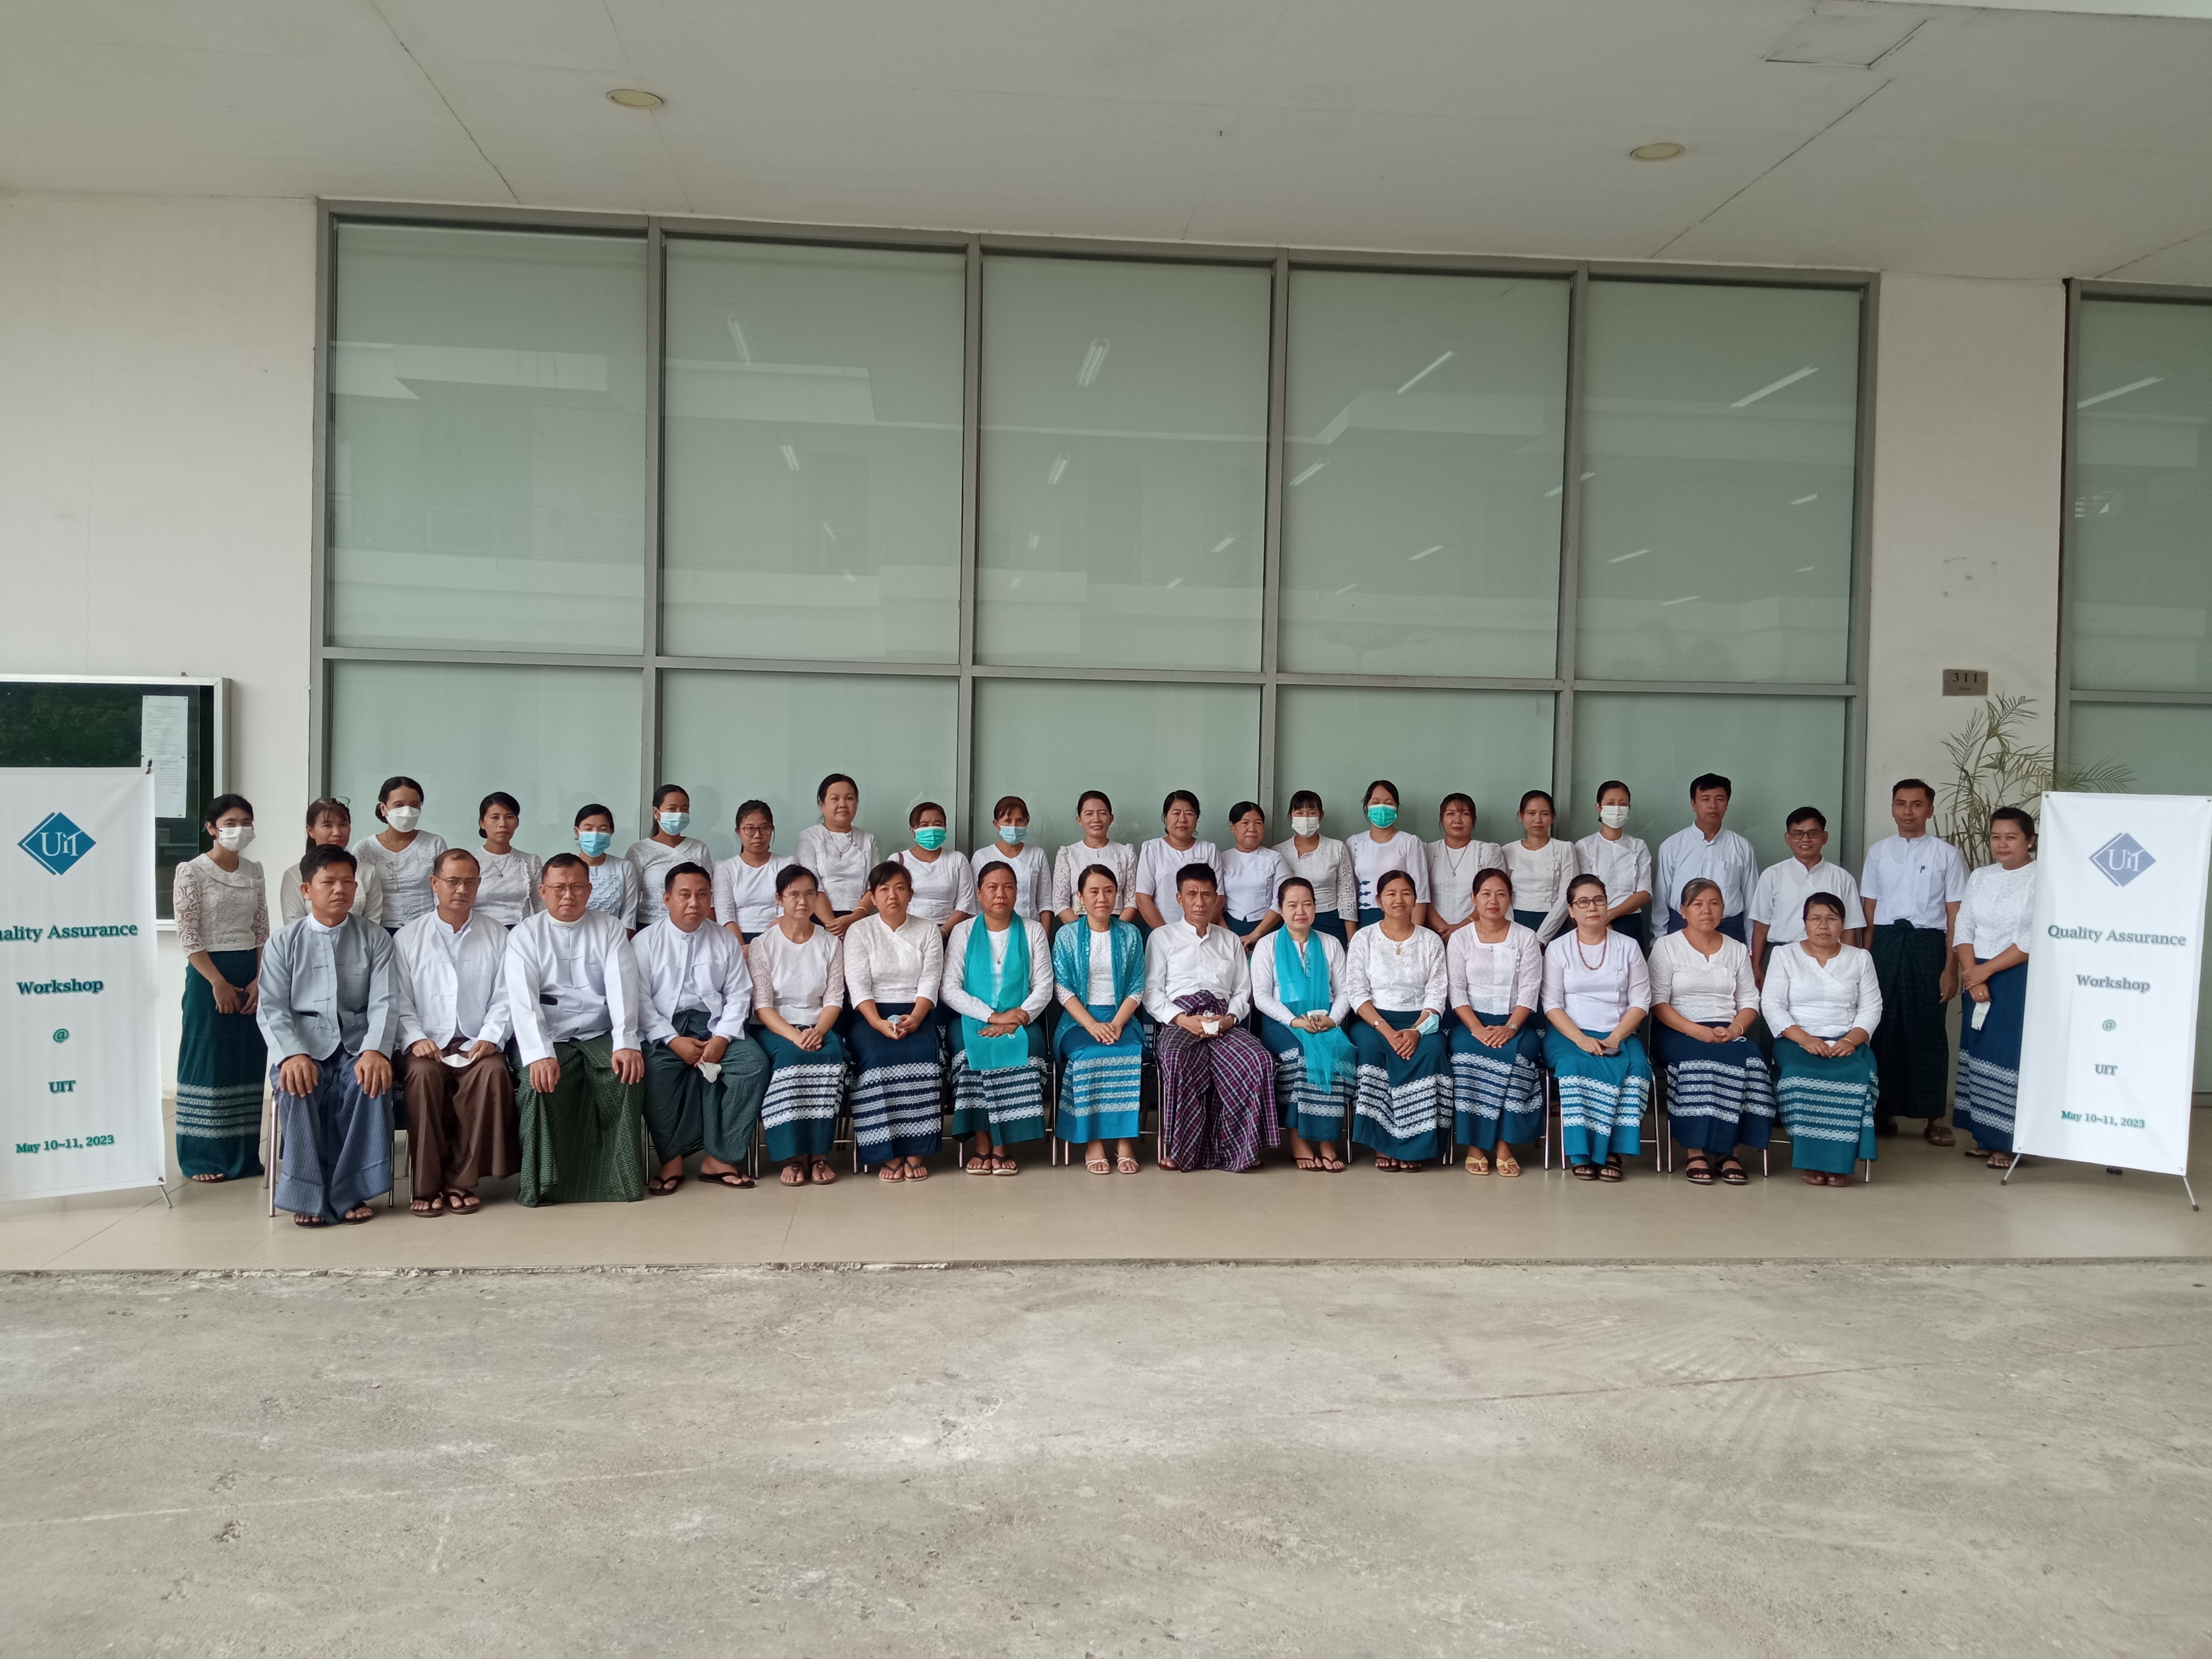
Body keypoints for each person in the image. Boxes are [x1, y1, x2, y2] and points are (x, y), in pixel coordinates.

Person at [257, 846, 397, 1226]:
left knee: (370, 1081)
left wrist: (375, 1050)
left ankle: (351, 1190)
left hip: (356, 1044)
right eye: (329, 882)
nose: (340, 890)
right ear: (307, 890)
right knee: (297, 1085)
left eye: (348, 882)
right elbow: (271, 1008)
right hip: (303, 1045)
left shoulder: (376, 938)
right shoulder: (283, 942)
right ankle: (306, 1194)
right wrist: (292, 1055)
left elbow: (386, 1002)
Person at [502, 853, 649, 1206]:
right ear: (543, 892)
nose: (568, 895)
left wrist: (625, 1042)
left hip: (599, 1031)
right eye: (559, 888)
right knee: (537, 1086)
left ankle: (619, 1181)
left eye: (577, 887)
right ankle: (544, 1183)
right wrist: (539, 1054)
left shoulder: (610, 928)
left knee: (627, 1076)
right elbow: (523, 1001)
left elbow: (622, 986)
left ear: (590, 889)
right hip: (547, 1035)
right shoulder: (525, 934)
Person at [390, 848, 516, 1216]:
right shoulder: (408, 937)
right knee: (424, 1077)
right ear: (435, 883)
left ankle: (460, 1180)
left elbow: (507, 996)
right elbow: (397, 999)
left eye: (470, 882)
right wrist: (415, 1038)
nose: (462, 889)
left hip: (475, 1040)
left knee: (492, 1072)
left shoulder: (498, 935)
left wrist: (491, 1036)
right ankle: (427, 1185)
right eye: (453, 881)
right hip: (424, 1043)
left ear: (479, 885)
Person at [633, 862, 770, 1195]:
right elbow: (639, 1000)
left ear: (711, 899)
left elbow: (739, 994)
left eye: (702, 895)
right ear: (667, 899)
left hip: (714, 1024)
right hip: (665, 1027)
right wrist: (671, 1040)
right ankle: (672, 1159)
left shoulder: (725, 940)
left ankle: (719, 1159)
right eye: (685, 895)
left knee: (753, 1065)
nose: (694, 903)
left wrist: (722, 1038)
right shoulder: (645, 941)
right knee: (653, 1070)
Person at [1144, 865, 1277, 1171]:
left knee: (1258, 1060)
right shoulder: (1162, 938)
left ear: (1216, 898)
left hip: (1222, 1019)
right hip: (1180, 1020)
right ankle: (1182, 1150)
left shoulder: (1230, 940)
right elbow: (1151, 992)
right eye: (1192, 894)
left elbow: (1243, 991)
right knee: (1176, 1057)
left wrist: (1230, 1019)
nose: (1200, 902)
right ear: (1179, 898)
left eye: (1206, 894)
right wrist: (1182, 1020)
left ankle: (1241, 1150)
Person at [1860, 777, 1967, 1144]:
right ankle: (1883, 1111)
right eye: (1901, 804)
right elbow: (1869, 911)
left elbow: (1956, 915)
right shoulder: (1878, 853)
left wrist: (1951, 967)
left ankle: (1934, 1117)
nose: (1908, 811)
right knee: (1883, 1026)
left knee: (1928, 1028)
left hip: (1928, 944)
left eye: (1917, 804)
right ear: (1892, 808)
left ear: (1930, 810)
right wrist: (1864, 961)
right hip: (1886, 943)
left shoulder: (1947, 855)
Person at [1649, 877, 1775, 1186]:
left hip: (1726, 1029)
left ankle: (1728, 1152)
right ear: (1683, 911)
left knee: (1752, 1062)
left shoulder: (1736, 949)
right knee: (1702, 1065)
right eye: (1698, 904)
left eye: (1714, 903)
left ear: (1723, 909)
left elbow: (1749, 1001)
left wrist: (1734, 1029)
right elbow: (1657, 1002)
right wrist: (1694, 1030)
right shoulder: (1667, 947)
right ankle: (1696, 1151)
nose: (1707, 910)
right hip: (1678, 1030)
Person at [173, 793, 269, 1183]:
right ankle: (202, 1158)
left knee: (246, 1060)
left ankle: (243, 1156)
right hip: (209, 976)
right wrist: (218, 983)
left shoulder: (255, 870)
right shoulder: (191, 871)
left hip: (251, 974)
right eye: (230, 823)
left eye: (246, 822)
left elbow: (261, 930)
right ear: (212, 828)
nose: (239, 829)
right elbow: (188, 934)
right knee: (208, 1059)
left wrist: (261, 979)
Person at [1763, 892, 1883, 1188]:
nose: (1823, 926)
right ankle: (1813, 1160)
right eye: (1815, 918)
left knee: (1858, 1075)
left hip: (1847, 1040)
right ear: (1804, 923)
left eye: (1831, 919)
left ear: (1843, 923)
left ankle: (1841, 1163)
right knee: (1798, 1077)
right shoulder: (1785, 955)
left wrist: (1852, 1040)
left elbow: (1872, 1007)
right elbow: (1772, 1005)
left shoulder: (1860, 958)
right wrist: (1805, 1039)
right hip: (1796, 1040)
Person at [1543, 873, 1655, 1182]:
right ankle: (1581, 1153)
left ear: (1607, 905)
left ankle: (1614, 1151)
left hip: (1619, 1032)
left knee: (1637, 1068)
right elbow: (1551, 1004)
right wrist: (1580, 1039)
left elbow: (1641, 1001)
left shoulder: (1628, 947)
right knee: (1573, 1065)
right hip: (1569, 1034)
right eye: (1583, 902)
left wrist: (1616, 1037)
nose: (1592, 907)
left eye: (1598, 900)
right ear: (1571, 910)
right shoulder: (1558, 948)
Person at [944, 862, 1053, 1174]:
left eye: (1008, 887)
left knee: (1027, 1048)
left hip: (1020, 1019)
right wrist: (993, 1016)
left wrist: (1014, 1021)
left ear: (1017, 893)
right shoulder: (964, 931)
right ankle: (982, 1143)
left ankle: (1003, 1146)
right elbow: (949, 988)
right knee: (968, 1052)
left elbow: (1044, 986)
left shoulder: (1033, 930)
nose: (1000, 894)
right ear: (979, 894)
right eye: (992, 887)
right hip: (973, 1018)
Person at [841, 862, 945, 1180]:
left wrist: (916, 1018)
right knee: (876, 1056)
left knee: (925, 1053)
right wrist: (877, 1023)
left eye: (900, 888)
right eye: (884, 889)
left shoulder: (928, 930)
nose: (892, 896)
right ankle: (885, 1150)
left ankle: (916, 1148)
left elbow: (930, 980)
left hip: (917, 1010)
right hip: (870, 1014)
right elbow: (858, 984)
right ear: (872, 897)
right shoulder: (860, 931)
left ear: (911, 894)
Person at [748, 865, 847, 1187]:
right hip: (776, 1026)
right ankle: (791, 1156)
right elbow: (763, 1005)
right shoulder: (763, 945)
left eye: (809, 894)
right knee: (791, 1058)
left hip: (818, 1024)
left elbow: (834, 999)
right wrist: (796, 1036)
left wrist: (818, 1031)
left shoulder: (830, 943)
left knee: (830, 1056)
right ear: (780, 899)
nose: (802, 902)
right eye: (793, 895)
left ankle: (819, 1153)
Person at [1344, 869, 1449, 1169]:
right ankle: (1382, 1144)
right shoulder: (1364, 938)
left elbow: (1437, 993)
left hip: (1420, 1022)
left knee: (1432, 1050)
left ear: (1415, 899)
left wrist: (1416, 1031)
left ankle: (1413, 1147)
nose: (1399, 900)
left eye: (1406, 893)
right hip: (1374, 1021)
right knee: (1370, 1050)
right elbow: (1357, 992)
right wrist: (1387, 1030)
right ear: (1378, 900)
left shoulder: (1430, 941)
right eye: (1391, 894)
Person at [1446, 868, 1544, 1177]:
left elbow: (1530, 990)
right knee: (1465, 1056)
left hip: (1516, 1024)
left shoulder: (1526, 937)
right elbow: (1456, 990)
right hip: (1470, 1024)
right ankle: (1475, 1145)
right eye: (1486, 894)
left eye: (1501, 894)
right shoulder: (1460, 938)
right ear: (1473, 898)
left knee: (1519, 1057)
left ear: (1510, 899)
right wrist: (1476, 1028)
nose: (1493, 901)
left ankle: (1504, 1144)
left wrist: (1510, 1028)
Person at [1252, 876, 1354, 1172]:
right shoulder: (1267, 945)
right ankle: (1298, 1139)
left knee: (1337, 1054)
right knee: (1299, 1056)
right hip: (1281, 1023)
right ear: (1281, 909)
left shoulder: (1331, 944)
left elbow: (1345, 991)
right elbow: (1261, 997)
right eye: (1292, 905)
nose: (1301, 911)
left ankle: (1327, 1141)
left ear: (1315, 907)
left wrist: (1332, 1019)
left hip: (1324, 1021)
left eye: (1307, 904)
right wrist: (1294, 1021)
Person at [1955, 806, 2038, 1167]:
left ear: (2030, 841)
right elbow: (1964, 927)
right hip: (1976, 973)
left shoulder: (2041, 878)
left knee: (2007, 1055)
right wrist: (1971, 972)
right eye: (1996, 837)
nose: (2002, 844)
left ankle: (2009, 1143)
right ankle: (1987, 1138)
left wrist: (1984, 972)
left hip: (2015, 976)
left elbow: (2032, 939)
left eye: (2011, 837)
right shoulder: (1981, 876)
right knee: (1979, 1051)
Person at [1052, 864, 1146, 1175]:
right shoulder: (1067, 935)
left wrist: (1117, 1024)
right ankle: (1092, 1141)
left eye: (1108, 891)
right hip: (1078, 1020)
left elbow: (1137, 986)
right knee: (1089, 1054)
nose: (1102, 898)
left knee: (1128, 1052)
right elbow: (1062, 987)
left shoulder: (1131, 934)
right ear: (1080, 897)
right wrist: (1091, 1025)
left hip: (1121, 1018)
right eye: (1093, 892)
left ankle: (1124, 1140)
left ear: (1117, 895)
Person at [1749, 807, 1864, 981]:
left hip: (1829, 957)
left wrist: (1849, 970)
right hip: (1780, 955)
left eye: (1813, 834)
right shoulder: (1772, 876)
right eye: (1798, 834)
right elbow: (1761, 927)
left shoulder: (1842, 878)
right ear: (1788, 839)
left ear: (1824, 837)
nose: (1805, 840)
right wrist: (1757, 967)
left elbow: (1849, 931)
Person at [1654, 774, 1757, 940]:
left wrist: (1751, 945)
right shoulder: (1672, 846)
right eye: (1705, 799)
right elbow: (1661, 899)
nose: (1713, 806)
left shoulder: (1742, 848)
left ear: (1727, 804)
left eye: (1719, 799)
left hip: (1730, 929)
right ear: (1693, 804)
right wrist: (1659, 939)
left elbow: (1752, 901)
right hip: (1681, 927)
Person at [351, 775, 446, 934]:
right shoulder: (364, 849)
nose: (407, 812)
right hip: (378, 931)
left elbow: (442, 891)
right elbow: (359, 897)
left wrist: (441, 927)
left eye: (414, 805)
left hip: (426, 928)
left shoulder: (434, 844)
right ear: (384, 809)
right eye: (399, 805)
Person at [796, 773, 879, 935]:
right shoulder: (809, 837)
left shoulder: (868, 839)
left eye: (850, 798)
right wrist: (833, 926)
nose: (843, 804)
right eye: (835, 799)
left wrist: (855, 918)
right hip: (819, 921)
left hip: (861, 919)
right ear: (822, 804)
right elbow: (811, 885)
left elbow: (874, 886)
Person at [1573, 780, 1654, 947]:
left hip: (1630, 921)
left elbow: (1644, 892)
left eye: (1623, 804)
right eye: (1610, 804)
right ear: (1598, 807)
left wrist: (1611, 915)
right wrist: (1603, 921)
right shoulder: (1585, 846)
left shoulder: (1638, 846)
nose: (1617, 809)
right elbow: (1584, 890)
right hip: (1594, 919)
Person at [282, 799, 384, 927]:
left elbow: (372, 923)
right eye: (327, 825)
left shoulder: (368, 872)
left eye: (343, 824)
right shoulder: (294, 875)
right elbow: (294, 926)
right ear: (311, 831)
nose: (337, 833)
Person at [1275, 790, 1359, 944]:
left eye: (1311, 813)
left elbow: (1347, 898)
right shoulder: (1278, 852)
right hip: (1291, 922)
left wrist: (1352, 942)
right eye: (1299, 813)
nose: (1306, 818)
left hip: (1330, 920)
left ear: (1321, 815)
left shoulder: (1337, 848)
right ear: (1290, 816)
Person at [1346, 780, 1430, 931]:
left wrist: (1416, 933)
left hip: (1400, 914)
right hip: (1365, 917)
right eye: (1376, 803)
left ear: (1397, 807)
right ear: (1367, 807)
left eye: (1389, 803)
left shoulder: (1409, 842)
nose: (1382, 808)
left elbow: (1420, 891)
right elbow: (1349, 892)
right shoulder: (1354, 842)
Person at [625, 784, 713, 929]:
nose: (679, 814)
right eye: (672, 809)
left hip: (692, 927)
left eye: (684, 809)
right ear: (656, 813)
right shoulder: (639, 851)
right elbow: (630, 900)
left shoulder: (699, 848)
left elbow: (709, 896)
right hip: (649, 927)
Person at [1133, 791, 1220, 931]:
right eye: (1176, 813)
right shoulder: (1153, 848)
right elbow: (1143, 899)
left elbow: (1218, 898)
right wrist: (1167, 935)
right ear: (1165, 818)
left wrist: (1198, 932)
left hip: (1201, 932)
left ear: (1197, 818)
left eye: (1189, 813)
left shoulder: (1209, 850)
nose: (1183, 819)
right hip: (1160, 930)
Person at [1500, 789, 1576, 942]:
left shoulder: (1565, 849)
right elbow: (1502, 894)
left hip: (1555, 923)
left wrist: (1541, 938)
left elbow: (1567, 895)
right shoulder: (1507, 851)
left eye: (1545, 814)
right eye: (1531, 813)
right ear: (1521, 816)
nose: (1538, 820)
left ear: (1553, 817)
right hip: (1516, 922)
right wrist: (1513, 931)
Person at [1426, 793, 1503, 944]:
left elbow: (1494, 896)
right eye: (1451, 814)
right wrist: (1444, 930)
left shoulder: (1488, 851)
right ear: (1441, 819)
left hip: (1477, 934)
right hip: (1434, 935)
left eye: (1465, 814)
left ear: (1474, 820)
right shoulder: (1427, 851)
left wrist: (1461, 928)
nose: (1458, 820)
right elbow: (1422, 896)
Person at [1052, 790, 1138, 925]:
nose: (1096, 819)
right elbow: (1060, 902)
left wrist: (1117, 929)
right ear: (1079, 820)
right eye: (1089, 814)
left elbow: (1132, 900)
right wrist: (1082, 930)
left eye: (1102, 813)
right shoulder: (1067, 854)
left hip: (1118, 924)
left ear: (1111, 818)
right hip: (1077, 925)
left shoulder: (1126, 853)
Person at [894, 801, 976, 939]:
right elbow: (891, 900)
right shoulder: (898, 860)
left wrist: (943, 931)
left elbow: (966, 904)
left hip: (949, 934)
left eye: (938, 824)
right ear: (912, 830)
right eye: (924, 825)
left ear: (945, 828)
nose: (932, 830)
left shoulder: (957, 860)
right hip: (907, 933)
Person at [714, 800, 791, 944]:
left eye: (764, 828)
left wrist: (762, 947)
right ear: (738, 831)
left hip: (777, 938)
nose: (757, 835)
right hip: (736, 940)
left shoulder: (786, 865)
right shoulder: (726, 869)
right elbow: (726, 916)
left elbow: (787, 911)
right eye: (750, 829)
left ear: (772, 829)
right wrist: (742, 949)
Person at [970, 796, 1053, 930]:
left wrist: (1044, 936)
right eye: (1008, 821)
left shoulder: (1037, 855)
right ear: (997, 824)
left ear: (1027, 822)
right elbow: (976, 903)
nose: (1014, 827)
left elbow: (1045, 902)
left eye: (1019, 821)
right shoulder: (982, 856)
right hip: (990, 931)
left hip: (1030, 931)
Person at [1219, 802, 1287, 950]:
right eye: (1245, 823)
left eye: (1258, 823)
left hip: (1269, 929)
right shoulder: (1221, 859)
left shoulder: (1275, 859)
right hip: (1228, 928)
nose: (1252, 829)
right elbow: (1215, 901)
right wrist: (1230, 937)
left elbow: (1282, 900)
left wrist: (1255, 935)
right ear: (1232, 826)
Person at [471, 792, 542, 927]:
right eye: (495, 817)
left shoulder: (531, 862)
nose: (503, 824)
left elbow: (542, 908)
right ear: (482, 823)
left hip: (521, 934)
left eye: (509, 817)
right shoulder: (470, 862)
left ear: (517, 823)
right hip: (479, 932)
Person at [572, 803, 641, 933]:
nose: (595, 835)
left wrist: (617, 943)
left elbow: (629, 918)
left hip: (615, 939)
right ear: (577, 832)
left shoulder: (624, 868)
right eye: (589, 829)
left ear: (611, 832)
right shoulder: (567, 868)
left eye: (603, 829)